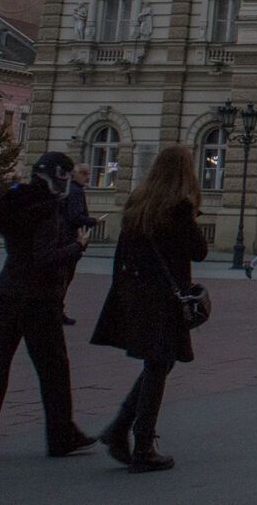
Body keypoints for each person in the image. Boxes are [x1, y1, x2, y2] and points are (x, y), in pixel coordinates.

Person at [0, 151, 94, 465]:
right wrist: (77, 248)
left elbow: (9, 232)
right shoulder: (45, 209)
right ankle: (61, 435)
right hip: (37, 298)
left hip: (7, 291)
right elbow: (44, 257)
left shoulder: (17, 200)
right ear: (59, 176)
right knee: (54, 367)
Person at [90, 144, 208, 473]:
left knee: (158, 364)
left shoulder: (138, 203)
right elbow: (199, 251)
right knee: (158, 367)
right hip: (165, 300)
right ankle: (142, 445)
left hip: (137, 294)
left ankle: (120, 429)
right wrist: (193, 219)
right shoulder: (179, 207)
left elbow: (122, 255)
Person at [59, 163, 91, 326]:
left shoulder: (70, 190)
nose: (88, 176)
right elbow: (75, 216)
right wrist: (91, 221)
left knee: (64, 277)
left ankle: (57, 309)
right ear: (75, 174)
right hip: (71, 240)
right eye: (84, 173)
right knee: (65, 277)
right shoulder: (75, 191)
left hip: (67, 239)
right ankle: (57, 310)